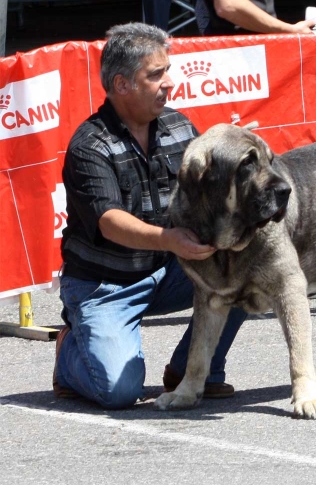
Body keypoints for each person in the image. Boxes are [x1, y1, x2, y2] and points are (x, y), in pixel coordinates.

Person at [53, 22, 247, 410]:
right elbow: (109, 221)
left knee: (244, 268)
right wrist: (168, 239)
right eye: (155, 74)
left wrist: (235, 161)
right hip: (105, 284)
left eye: (167, 71)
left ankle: (192, 370)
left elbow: (203, 193)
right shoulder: (89, 145)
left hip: (169, 269)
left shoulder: (178, 126)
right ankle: (69, 351)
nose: (169, 82)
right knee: (120, 392)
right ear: (122, 84)